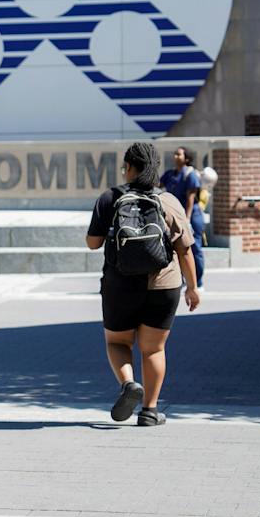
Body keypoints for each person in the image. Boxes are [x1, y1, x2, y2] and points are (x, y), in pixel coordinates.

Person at [87, 141, 200, 428]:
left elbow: (92, 243)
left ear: (128, 167)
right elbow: (185, 249)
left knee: (117, 342)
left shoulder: (110, 197)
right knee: (153, 349)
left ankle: (128, 384)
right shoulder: (168, 200)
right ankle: (150, 411)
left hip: (120, 284)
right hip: (163, 284)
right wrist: (192, 287)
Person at [159, 146, 205, 289]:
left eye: (179, 154)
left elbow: (190, 198)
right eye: (175, 154)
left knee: (194, 248)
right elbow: (157, 186)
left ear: (186, 158)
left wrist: (187, 220)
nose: (175, 157)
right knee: (176, 248)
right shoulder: (170, 174)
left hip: (191, 216)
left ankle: (198, 282)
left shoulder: (190, 175)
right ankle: (183, 280)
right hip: (176, 216)